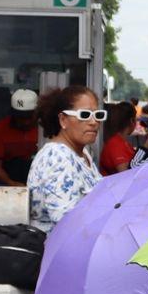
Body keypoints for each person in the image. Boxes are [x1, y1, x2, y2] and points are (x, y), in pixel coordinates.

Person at [27, 86, 104, 234]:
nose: (94, 122)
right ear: (63, 120)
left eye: (98, 115)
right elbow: (66, 224)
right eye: (85, 115)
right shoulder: (57, 157)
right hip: (58, 252)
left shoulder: (84, 154)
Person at [0, 89, 40, 187]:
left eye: (28, 117)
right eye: (20, 117)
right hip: (9, 183)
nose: (25, 122)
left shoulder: (44, 128)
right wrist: (11, 183)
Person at [98, 101, 137, 176]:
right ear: (132, 121)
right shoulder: (115, 144)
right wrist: (146, 147)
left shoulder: (122, 142)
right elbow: (126, 174)